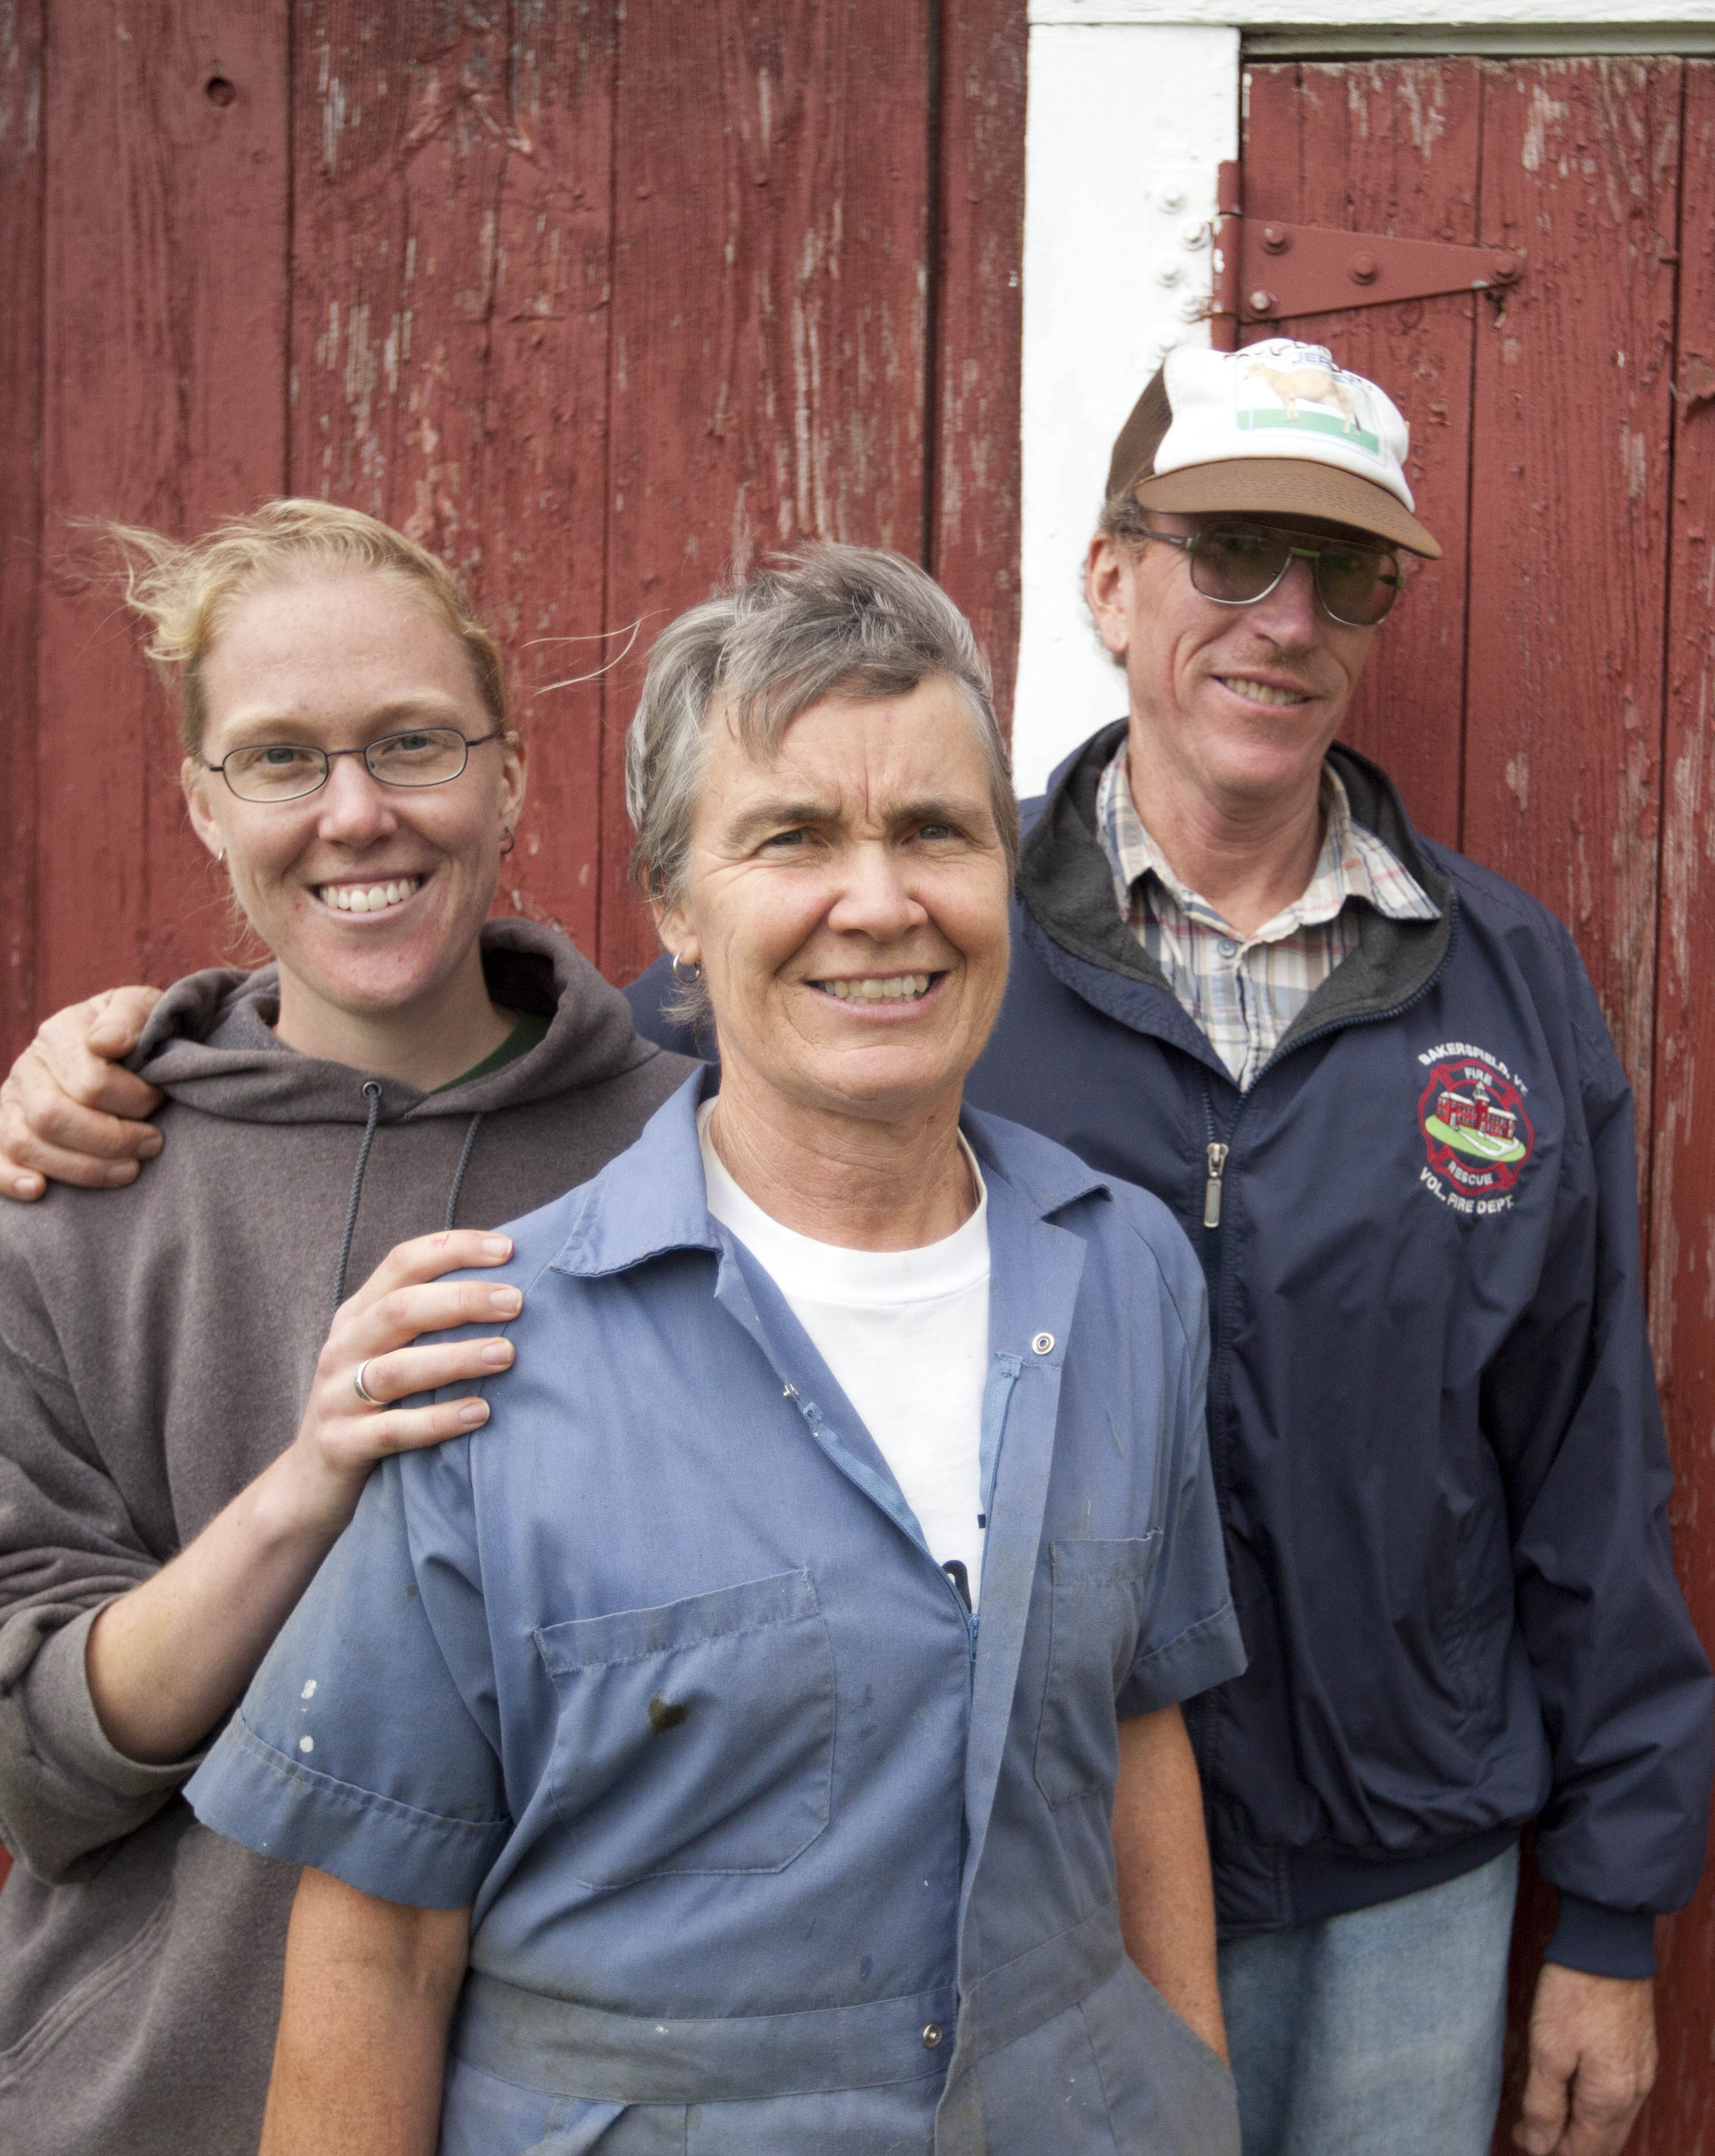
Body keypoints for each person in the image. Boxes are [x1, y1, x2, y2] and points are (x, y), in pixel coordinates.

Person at [0, 337, 1715, 2156]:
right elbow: (475, 1027)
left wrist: (1606, 1896)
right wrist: (177, 1047)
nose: (1283, 617)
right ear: (1110, 580)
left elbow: (1587, 1458)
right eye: (1229, 555)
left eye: (1343, 571)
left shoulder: (1480, 1000)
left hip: (1392, 1874)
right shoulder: (901, 941)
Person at [183, 544, 1246, 2154]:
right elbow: (381, 1946)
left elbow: (1142, 1732)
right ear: (675, 905)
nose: (878, 903)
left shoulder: (1126, 1276)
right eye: (793, 837)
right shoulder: (488, 1350)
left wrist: (1188, 2098)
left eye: (936, 831)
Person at [0, 501, 695, 2156]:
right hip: (165, 2101)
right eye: (277, 760)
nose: (355, 815)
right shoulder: (79, 1192)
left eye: (412, 744)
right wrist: (304, 1488)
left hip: (612, 2109)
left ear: (511, 772)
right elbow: (1, 1758)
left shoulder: (703, 1161)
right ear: (201, 802)